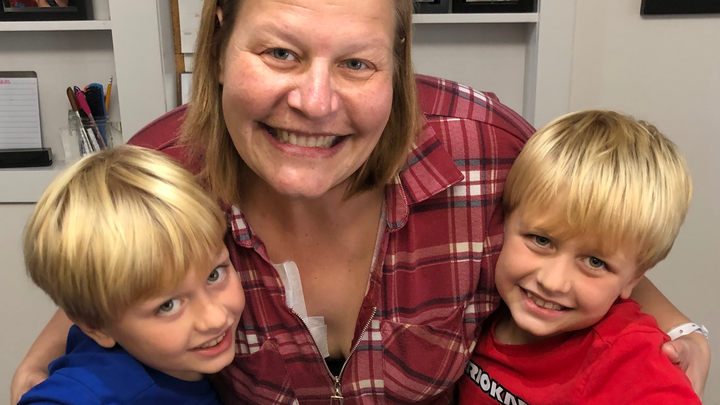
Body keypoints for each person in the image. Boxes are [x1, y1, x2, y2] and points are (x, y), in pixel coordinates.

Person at [11, 0, 710, 404]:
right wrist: (41, 366)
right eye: (280, 53)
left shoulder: (486, 150)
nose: (315, 103)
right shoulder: (164, 172)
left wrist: (684, 328)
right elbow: (99, 292)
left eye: (356, 63)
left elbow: (592, 240)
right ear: (219, 41)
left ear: (398, 60)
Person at [458, 110, 701, 404]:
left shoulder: (628, 360)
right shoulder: (478, 301)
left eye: (595, 262)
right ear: (504, 223)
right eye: (541, 240)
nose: (552, 282)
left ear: (634, 279)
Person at [17, 146, 244, 405]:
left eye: (214, 275)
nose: (215, 318)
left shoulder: (179, 365)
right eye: (168, 306)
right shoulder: (103, 387)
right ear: (96, 327)